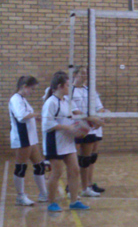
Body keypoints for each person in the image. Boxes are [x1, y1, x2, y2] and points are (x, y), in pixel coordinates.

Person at [42, 72, 89, 212]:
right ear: (60, 86)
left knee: (75, 171)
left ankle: (74, 201)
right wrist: (67, 128)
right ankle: (51, 203)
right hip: (54, 142)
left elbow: (77, 115)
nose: (70, 88)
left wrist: (89, 122)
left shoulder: (67, 101)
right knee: (57, 173)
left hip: (68, 141)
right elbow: (47, 125)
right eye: (68, 85)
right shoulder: (50, 102)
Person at [9, 76, 48, 206]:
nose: (32, 92)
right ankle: (20, 196)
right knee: (21, 167)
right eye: (32, 89)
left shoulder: (22, 99)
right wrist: (36, 114)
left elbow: (26, 115)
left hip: (31, 138)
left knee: (39, 166)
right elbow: (21, 116)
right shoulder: (15, 99)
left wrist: (35, 118)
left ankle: (43, 193)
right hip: (22, 138)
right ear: (24, 86)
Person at [70, 69, 104, 198]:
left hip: (89, 129)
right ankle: (70, 187)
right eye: (82, 73)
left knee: (86, 160)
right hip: (76, 129)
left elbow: (99, 107)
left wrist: (101, 116)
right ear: (75, 74)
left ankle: (85, 188)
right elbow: (75, 111)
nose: (85, 75)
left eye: (86, 73)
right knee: (72, 161)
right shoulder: (70, 90)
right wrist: (93, 119)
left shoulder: (90, 91)